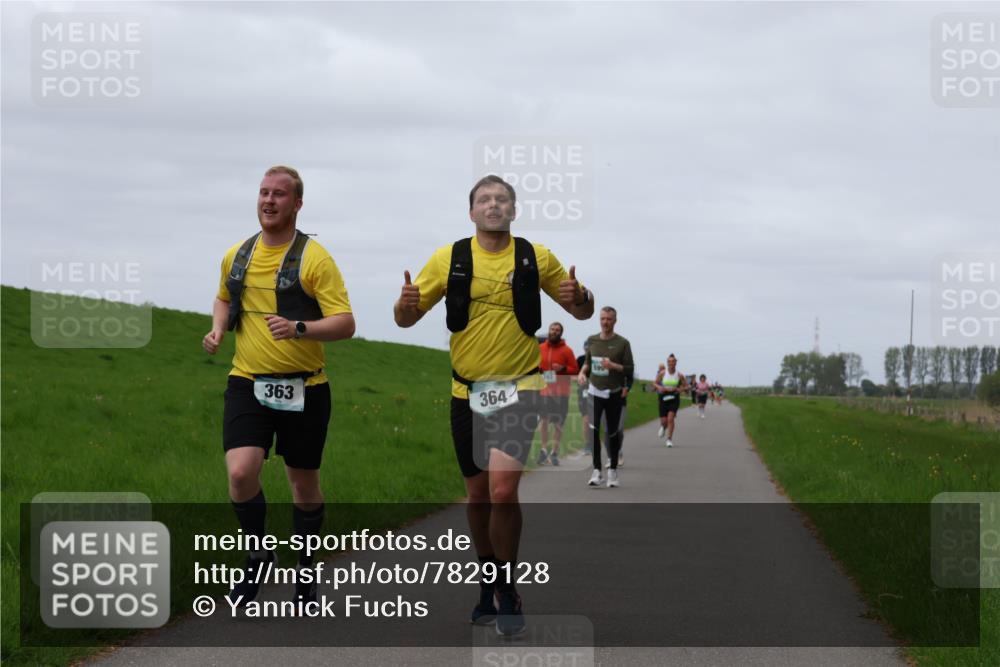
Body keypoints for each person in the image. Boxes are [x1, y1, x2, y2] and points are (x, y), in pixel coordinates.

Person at [394, 175, 593, 636]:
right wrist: (404, 305)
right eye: (484, 199)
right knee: (478, 496)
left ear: (513, 210)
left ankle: (508, 587)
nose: (493, 205)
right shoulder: (449, 258)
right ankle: (488, 579)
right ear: (471, 212)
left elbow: (580, 308)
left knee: (504, 491)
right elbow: (405, 320)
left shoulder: (534, 256)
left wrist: (580, 298)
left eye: (502, 199)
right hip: (466, 392)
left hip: (520, 387)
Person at [202, 166, 356, 608]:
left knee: (303, 486)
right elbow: (224, 297)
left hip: (305, 388)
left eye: (280, 194)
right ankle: (258, 555)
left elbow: (345, 323)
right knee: (240, 472)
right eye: (263, 193)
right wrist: (217, 329)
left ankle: (306, 568)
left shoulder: (315, 259)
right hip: (247, 381)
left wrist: (299, 326)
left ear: (297, 204)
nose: (269, 200)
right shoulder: (238, 255)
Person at [578, 307, 634, 489]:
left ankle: (613, 471)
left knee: (612, 432)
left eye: (609, 319)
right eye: (602, 319)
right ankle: (596, 470)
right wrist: (582, 373)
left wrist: (613, 366)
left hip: (614, 393)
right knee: (593, 430)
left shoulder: (623, 343)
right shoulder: (592, 340)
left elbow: (629, 368)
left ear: (615, 321)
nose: (605, 322)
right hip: (594, 391)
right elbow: (588, 362)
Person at [537, 322, 579, 467]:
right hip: (545, 390)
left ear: (561, 333)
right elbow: (534, 365)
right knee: (543, 420)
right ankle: (543, 450)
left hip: (561, 393)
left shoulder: (567, 351)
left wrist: (562, 368)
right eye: (552, 329)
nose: (554, 332)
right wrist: (538, 369)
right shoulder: (540, 348)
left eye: (557, 330)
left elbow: (575, 370)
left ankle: (554, 452)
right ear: (549, 331)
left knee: (558, 424)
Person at [653, 354, 688, 448]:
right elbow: (654, 383)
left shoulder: (679, 375)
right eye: (669, 361)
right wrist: (660, 387)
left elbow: (686, 386)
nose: (671, 363)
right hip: (663, 397)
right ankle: (663, 427)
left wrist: (680, 389)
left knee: (670, 418)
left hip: (674, 397)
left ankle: (669, 439)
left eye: (673, 361)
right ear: (667, 363)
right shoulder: (662, 373)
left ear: (676, 363)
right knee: (664, 421)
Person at [576, 343, 591, 456]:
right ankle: (587, 444)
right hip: (583, 391)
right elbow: (573, 373)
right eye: (586, 348)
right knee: (586, 418)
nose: (588, 350)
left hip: (597, 392)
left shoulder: (598, 360)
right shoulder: (580, 359)